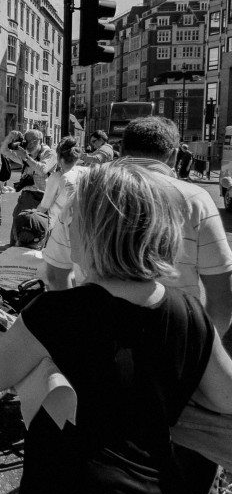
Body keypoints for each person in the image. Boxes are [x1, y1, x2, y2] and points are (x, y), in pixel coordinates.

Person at [0, 162, 232, 494]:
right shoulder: (188, 312)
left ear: (100, 229)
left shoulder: (59, 311)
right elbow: (225, 400)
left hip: (63, 487)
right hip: (152, 490)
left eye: (74, 217)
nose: (66, 224)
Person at [42, 117, 232, 338]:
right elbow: (222, 299)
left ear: (121, 151)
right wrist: (195, 350)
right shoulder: (195, 199)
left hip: (96, 336)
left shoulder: (87, 192)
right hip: (172, 337)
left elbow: (56, 275)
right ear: (173, 155)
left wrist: (76, 332)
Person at [4, 129, 57, 244]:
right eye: (26, 141)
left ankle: (40, 248)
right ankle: (15, 248)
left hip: (42, 197)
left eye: (30, 142)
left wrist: (26, 158)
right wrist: (9, 138)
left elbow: (43, 170)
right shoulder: (27, 154)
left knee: (40, 226)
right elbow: (4, 151)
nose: (27, 145)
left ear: (38, 141)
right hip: (26, 196)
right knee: (18, 222)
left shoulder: (50, 153)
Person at [37, 136, 87, 227]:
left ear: (59, 157)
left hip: (60, 226)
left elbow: (44, 206)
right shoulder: (85, 172)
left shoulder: (57, 177)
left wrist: (32, 214)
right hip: (80, 224)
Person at [0, 209, 46, 291]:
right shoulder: (45, 260)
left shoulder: (1, 257)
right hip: (31, 301)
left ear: (14, 234)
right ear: (43, 238)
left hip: (0, 300)